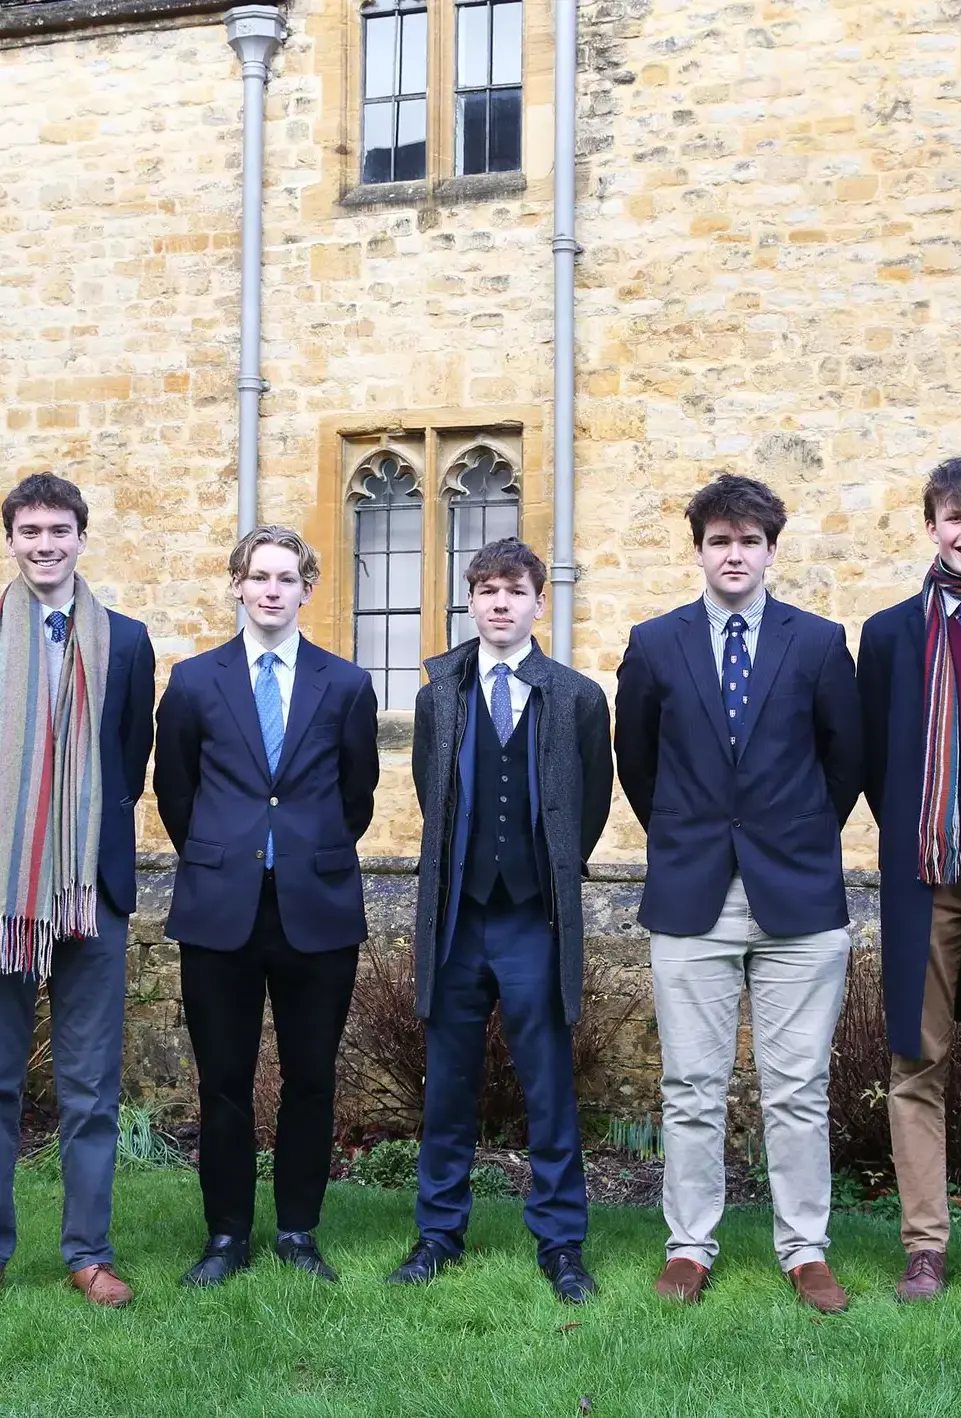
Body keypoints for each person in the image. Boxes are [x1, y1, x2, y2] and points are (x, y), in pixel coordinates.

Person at [614, 473, 862, 1314]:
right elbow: (638, 764)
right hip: (694, 894)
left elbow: (845, 760)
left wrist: (790, 837)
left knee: (797, 1088)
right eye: (720, 540)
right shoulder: (655, 644)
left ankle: (805, 1251)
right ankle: (689, 1246)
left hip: (798, 895)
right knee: (691, 1086)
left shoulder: (819, 642)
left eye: (749, 541)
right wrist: (695, 837)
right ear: (699, 550)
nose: (734, 554)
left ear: (770, 552)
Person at [387, 538, 613, 1303]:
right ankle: (438, 1235)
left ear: (539, 603)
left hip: (532, 921)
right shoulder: (439, 696)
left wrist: (545, 878)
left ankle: (561, 1242)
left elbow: (588, 806)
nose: (500, 603)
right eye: (486, 590)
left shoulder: (577, 698)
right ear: (471, 601)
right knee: (447, 1085)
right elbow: (434, 796)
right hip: (458, 921)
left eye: (515, 591)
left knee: (548, 1084)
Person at [154, 525, 378, 1287]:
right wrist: (229, 853)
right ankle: (226, 1236)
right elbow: (177, 792)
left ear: (308, 590)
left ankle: (297, 1231)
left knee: (311, 1078)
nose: (272, 590)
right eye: (259, 577)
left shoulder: (345, 684)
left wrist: (304, 850)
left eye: (287, 578)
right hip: (221, 908)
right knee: (223, 1082)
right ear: (238, 585)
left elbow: (357, 794)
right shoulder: (194, 681)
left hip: (316, 906)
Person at [858, 456, 961, 1305]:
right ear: (931, 528)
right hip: (926, 872)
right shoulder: (889, 634)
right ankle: (924, 1248)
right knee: (916, 1063)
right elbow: (875, 755)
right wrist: (916, 829)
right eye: (955, 517)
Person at [0, 473, 155, 1307]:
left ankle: (89, 1254)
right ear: (12, 541)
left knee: (91, 1087)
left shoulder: (126, 641)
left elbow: (129, 758)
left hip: (91, 889)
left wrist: (77, 845)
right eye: (29, 531)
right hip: (3, 893)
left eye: (59, 530)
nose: (45, 544)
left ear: (82, 537)